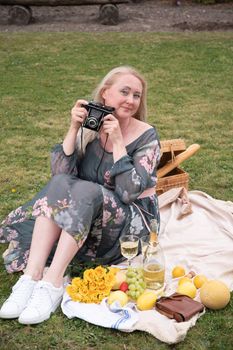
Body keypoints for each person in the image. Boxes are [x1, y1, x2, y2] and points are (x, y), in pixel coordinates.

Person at [0, 66, 161, 325]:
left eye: (136, 95)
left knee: (85, 189)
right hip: (86, 214)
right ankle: (31, 277)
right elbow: (60, 176)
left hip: (130, 225)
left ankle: (53, 283)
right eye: (124, 92)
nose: (131, 100)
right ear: (105, 94)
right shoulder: (92, 125)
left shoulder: (147, 136)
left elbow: (130, 192)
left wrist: (119, 142)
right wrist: (74, 128)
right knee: (64, 183)